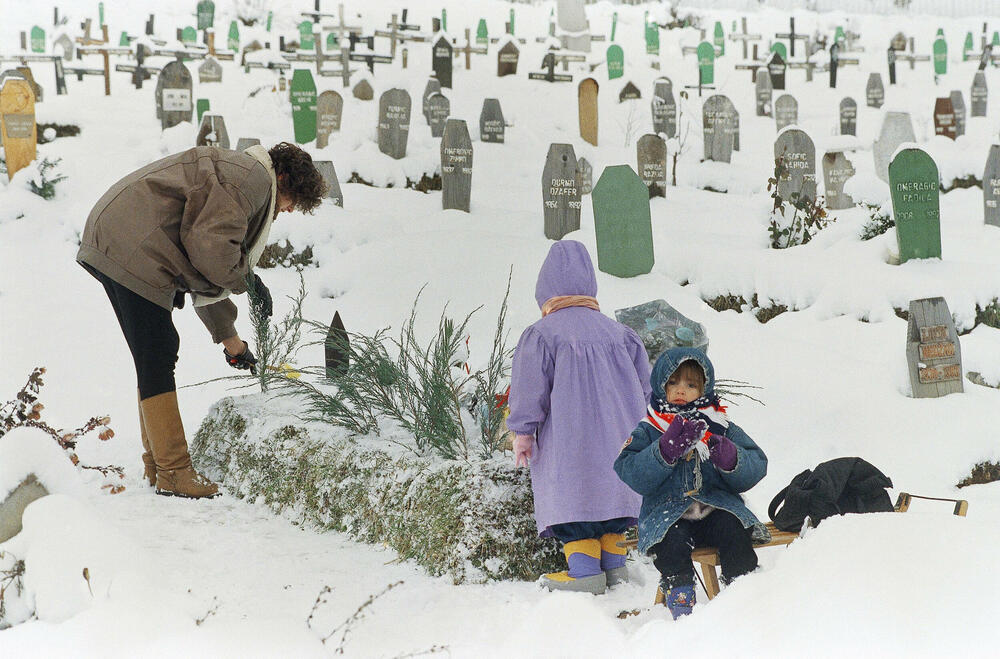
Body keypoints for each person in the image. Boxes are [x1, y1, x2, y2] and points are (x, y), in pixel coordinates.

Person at [76, 143, 327, 499]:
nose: (285, 211)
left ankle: (158, 464)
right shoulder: (250, 182)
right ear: (284, 178)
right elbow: (212, 254)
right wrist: (248, 281)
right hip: (133, 243)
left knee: (153, 352)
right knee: (158, 352)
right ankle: (174, 471)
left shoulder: (243, 175)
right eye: (291, 203)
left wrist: (234, 346)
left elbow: (205, 270)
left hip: (121, 235)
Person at [506, 240, 651, 594]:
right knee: (612, 500)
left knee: (575, 502)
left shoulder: (541, 336)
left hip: (570, 444)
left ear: (544, 287)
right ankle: (615, 569)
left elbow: (528, 391)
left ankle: (585, 572)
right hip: (621, 440)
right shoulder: (621, 335)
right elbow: (646, 390)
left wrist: (522, 432)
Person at [614, 347, 767, 618]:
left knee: (734, 530)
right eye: (672, 382)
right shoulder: (650, 428)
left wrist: (731, 458)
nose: (680, 390)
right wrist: (663, 451)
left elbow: (757, 465)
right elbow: (628, 470)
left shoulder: (718, 424)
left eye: (690, 384)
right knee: (671, 544)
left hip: (714, 509)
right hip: (668, 515)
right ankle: (682, 602)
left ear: (704, 388)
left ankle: (744, 596)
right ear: (660, 385)